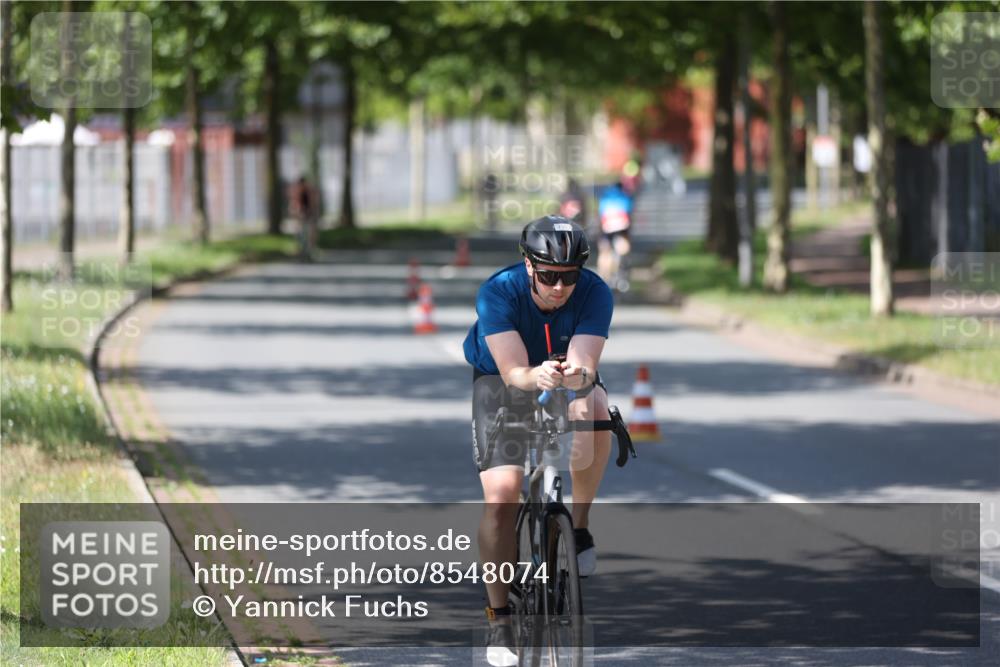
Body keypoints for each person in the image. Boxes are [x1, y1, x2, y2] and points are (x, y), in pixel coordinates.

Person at [463, 216, 614, 666]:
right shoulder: (498, 292)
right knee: (503, 495)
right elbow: (512, 372)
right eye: (549, 276)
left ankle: (579, 528)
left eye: (570, 276)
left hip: (563, 374)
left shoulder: (594, 291)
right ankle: (500, 619)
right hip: (503, 379)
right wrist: (536, 375)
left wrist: (576, 375)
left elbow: (586, 364)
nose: (560, 287)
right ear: (528, 265)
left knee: (596, 411)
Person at [596, 180, 634, 290]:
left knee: (605, 253)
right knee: (622, 251)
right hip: (621, 229)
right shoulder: (625, 197)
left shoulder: (605, 198)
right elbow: (628, 215)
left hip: (605, 229)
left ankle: (603, 279)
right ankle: (620, 276)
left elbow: (600, 215)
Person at [288, 176, 318, 261]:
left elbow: (313, 204)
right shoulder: (297, 191)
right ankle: (300, 250)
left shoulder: (309, 191)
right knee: (299, 232)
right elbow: (295, 204)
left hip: (309, 215)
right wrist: (297, 213)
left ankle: (310, 251)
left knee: (310, 233)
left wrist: (310, 212)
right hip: (300, 215)